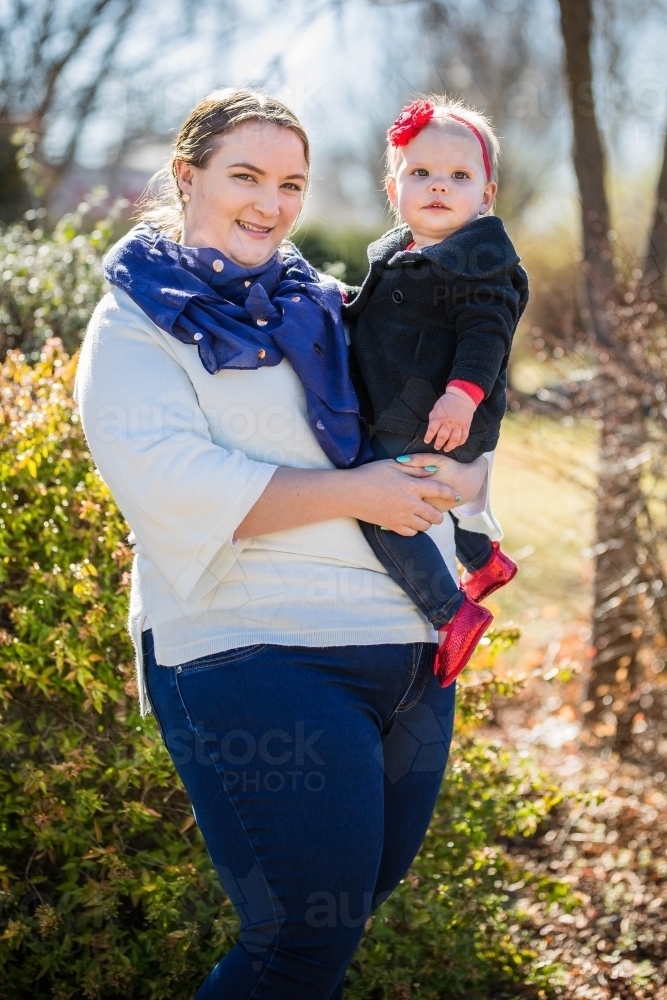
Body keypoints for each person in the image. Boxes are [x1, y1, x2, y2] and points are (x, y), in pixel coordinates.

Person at [75, 88, 490, 1000]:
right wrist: (357, 494)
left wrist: (462, 492)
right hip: (254, 649)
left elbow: (420, 427)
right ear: (188, 177)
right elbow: (172, 485)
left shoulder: (323, 304)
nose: (270, 204)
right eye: (246, 177)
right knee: (299, 939)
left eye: (291, 184)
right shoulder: (136, 326)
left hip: (409, 656)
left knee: (342, 920)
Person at [344, 95, 529, 688]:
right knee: (408, 493)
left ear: (486, 195)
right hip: (412, 408)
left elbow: (487, 333)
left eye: (459, 175)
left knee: (383, 508)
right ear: (393, 188)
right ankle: (482, 557)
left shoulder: (481, 261)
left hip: (442, 413)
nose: (439, 187)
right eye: (420, 173)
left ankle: (452, 613)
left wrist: (463, 394)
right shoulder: (401, 252)